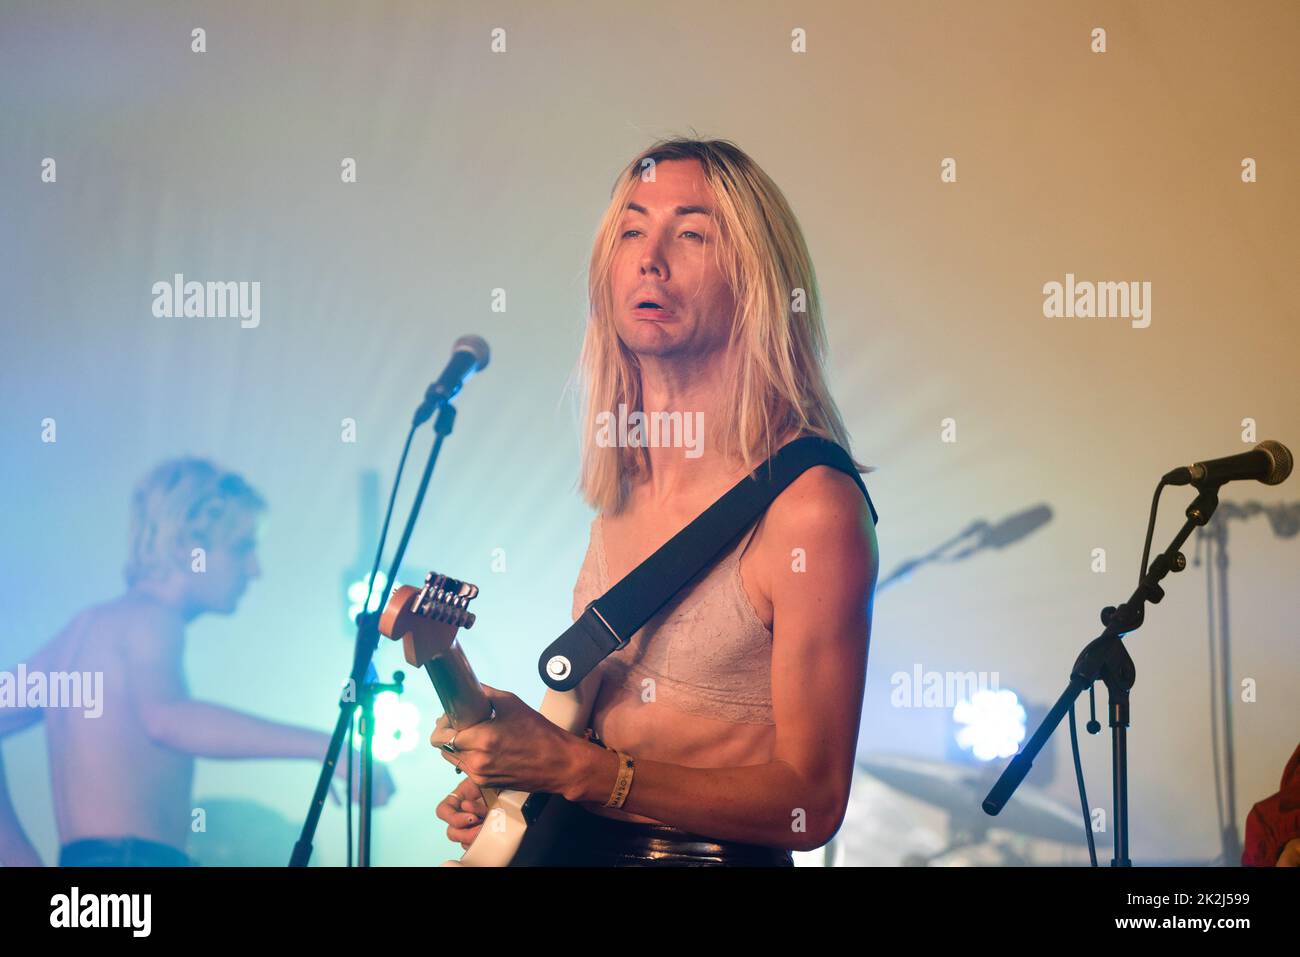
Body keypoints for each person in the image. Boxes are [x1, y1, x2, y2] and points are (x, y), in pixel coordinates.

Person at [432, 138, 879, 865]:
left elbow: (812, 802)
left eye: (691, 233)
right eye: (632, 230)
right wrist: (517, 789)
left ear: (756, 278)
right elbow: (613, 726)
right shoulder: (626, 478)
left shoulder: (810, 507)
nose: (650, 257)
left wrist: (573, 772)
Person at [0, 458, 393, 866]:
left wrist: (15, 858)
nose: (255, 569)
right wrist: (332, 750)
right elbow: (167, 719)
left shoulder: (84, 631)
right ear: (187, 548)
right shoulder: (151, 620)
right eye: (242, 547)